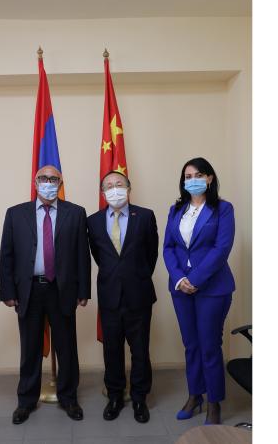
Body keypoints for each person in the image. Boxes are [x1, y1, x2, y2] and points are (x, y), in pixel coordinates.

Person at [0, 165, 90, 424]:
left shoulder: (76, 213)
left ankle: (68, 398)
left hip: (63, 289)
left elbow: (82, 255)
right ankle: (26, 401)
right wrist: (8, 291)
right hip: (29, 289)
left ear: (61, 184)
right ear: (35, 182)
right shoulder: (15, 214)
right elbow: (7, 255)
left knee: (66, 347)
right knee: (30, 348)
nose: (48, 182)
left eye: (53, 179)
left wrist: (83, 290)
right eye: (43, 178)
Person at [162, 157, 236, 425]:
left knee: (209, 346)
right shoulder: (176, 209)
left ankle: (214, 402)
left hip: (213, 289)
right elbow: (168, 247)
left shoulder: (223, 209)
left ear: (209, 178)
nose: (192, 180)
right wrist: (180, 278)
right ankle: (195, 395)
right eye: (187, 176)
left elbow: (221, 249)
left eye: (197, 175)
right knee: (191, 345)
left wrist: (195, 279)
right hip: (180, 288)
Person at [87, 170, 159, 423]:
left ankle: (139, 398)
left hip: (139, 294)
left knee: (140, 350)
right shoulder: (93, 221)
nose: (114, 188)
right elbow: (99, 256)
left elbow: (151, 255)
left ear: (128, 189)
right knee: (112, 350)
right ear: (102, 192)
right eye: (109, 185)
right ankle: (115, 396)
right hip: (109, 296)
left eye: (119, 184)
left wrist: (134, 276)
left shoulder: (145, 216)